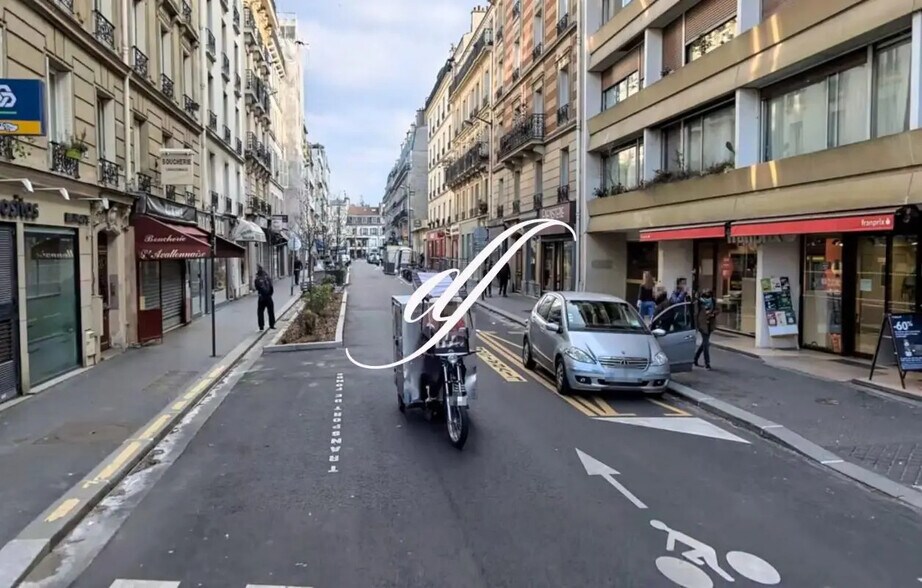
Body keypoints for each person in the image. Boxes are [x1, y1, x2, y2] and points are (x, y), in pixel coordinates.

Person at [694, 289, 719, 369]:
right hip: (702, 324)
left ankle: (695, 358)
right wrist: (696, 326)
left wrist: (713, 313)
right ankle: (707, 363)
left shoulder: (713, 301)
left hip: (710, 324)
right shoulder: (699, 302)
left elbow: (717, 310)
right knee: (706, 343)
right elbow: (696, 314)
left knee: (705, 343)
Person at [254, 265, 276, 331]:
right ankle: (272, 325)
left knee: (260, 312)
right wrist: (270, 294)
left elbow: (257, 288)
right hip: (268, 297)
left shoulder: (257, 279)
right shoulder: (267, 277)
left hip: (261, 297)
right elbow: (271, 286)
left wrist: (262, 293)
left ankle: (261, 326)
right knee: (271, 311)